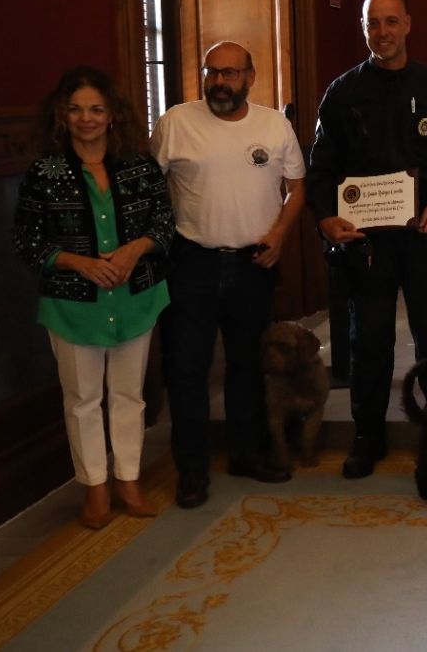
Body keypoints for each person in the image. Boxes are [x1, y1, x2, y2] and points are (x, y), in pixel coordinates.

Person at [306, 0, 427, 479]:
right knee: (371, 340)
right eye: (372, 24)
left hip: (426, 234)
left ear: (407, 24)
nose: (382, 32)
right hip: (368, 243)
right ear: (365, 30)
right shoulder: (342, 93)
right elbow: (320, 169)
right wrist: (325, 218)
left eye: (390, 22)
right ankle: (368, 435)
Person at [13, 67, 173, 529]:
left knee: (129, 395)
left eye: (96, 109)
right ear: (62, 116)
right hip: (73, 304)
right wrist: (78, 263)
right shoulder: (45, 172)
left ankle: (129, 480)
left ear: (113, 116)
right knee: (82, 398)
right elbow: (26, 240)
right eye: (77, 109)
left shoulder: (140, 167)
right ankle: (95, 490)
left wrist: (134, 250)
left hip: (135, 298)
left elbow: (164, 224)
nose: (87, 118)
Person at [151, 41, 307, 508]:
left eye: (230, 73)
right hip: (190, 262)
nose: (220, 82)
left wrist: (279, 236)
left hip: (253, 264)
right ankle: (192, 470)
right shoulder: (175, 123)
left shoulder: (274, 125)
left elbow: (297, 187)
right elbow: (150, 187)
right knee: (186, 369)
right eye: (212, 73)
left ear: (250, 76)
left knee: (247, 366)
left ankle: (245, 453)